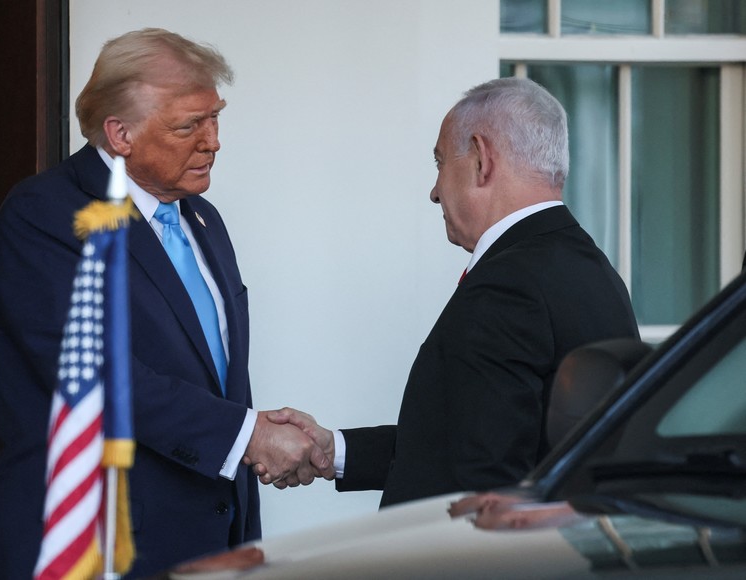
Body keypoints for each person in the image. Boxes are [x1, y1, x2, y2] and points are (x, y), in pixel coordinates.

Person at [0, 28, 330, 579]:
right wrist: (248, 436)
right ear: (120, 133)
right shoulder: (45, 215)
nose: (213, 140)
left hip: (207, 543)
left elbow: (213, 377)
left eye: (215, 117)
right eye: (188, 126)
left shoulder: (202, 219)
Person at [257, 77, 639, 507]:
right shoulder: (594, 270)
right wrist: (334, 452)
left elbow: (476, 480)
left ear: (481, 159)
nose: (435, 191)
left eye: (440, 162)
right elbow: (473, 439)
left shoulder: (507, 286)